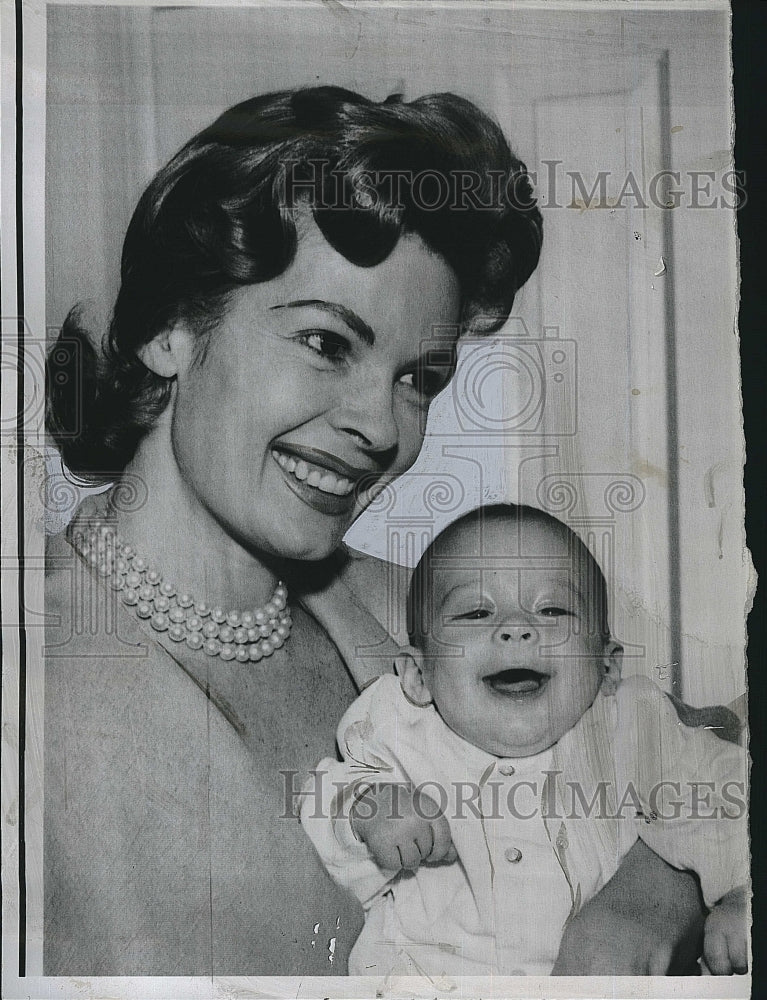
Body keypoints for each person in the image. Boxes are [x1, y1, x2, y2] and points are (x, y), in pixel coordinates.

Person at [45, 85, 713, 976]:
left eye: (419, 378)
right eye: (326, 343)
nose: (381, 426)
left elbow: (693, 750)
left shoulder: (436, 612)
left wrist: (645, 893)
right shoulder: (31, 671)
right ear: (172, 325)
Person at [301, 503, 749, 977]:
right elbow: (326, 804)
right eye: (477, 611)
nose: (516, 628)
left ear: (607, 666)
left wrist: (740, 896)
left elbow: (726, 794)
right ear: (418, 674)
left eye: (551, 608)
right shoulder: (400, 731)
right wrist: (368, 811)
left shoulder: (630, 727)